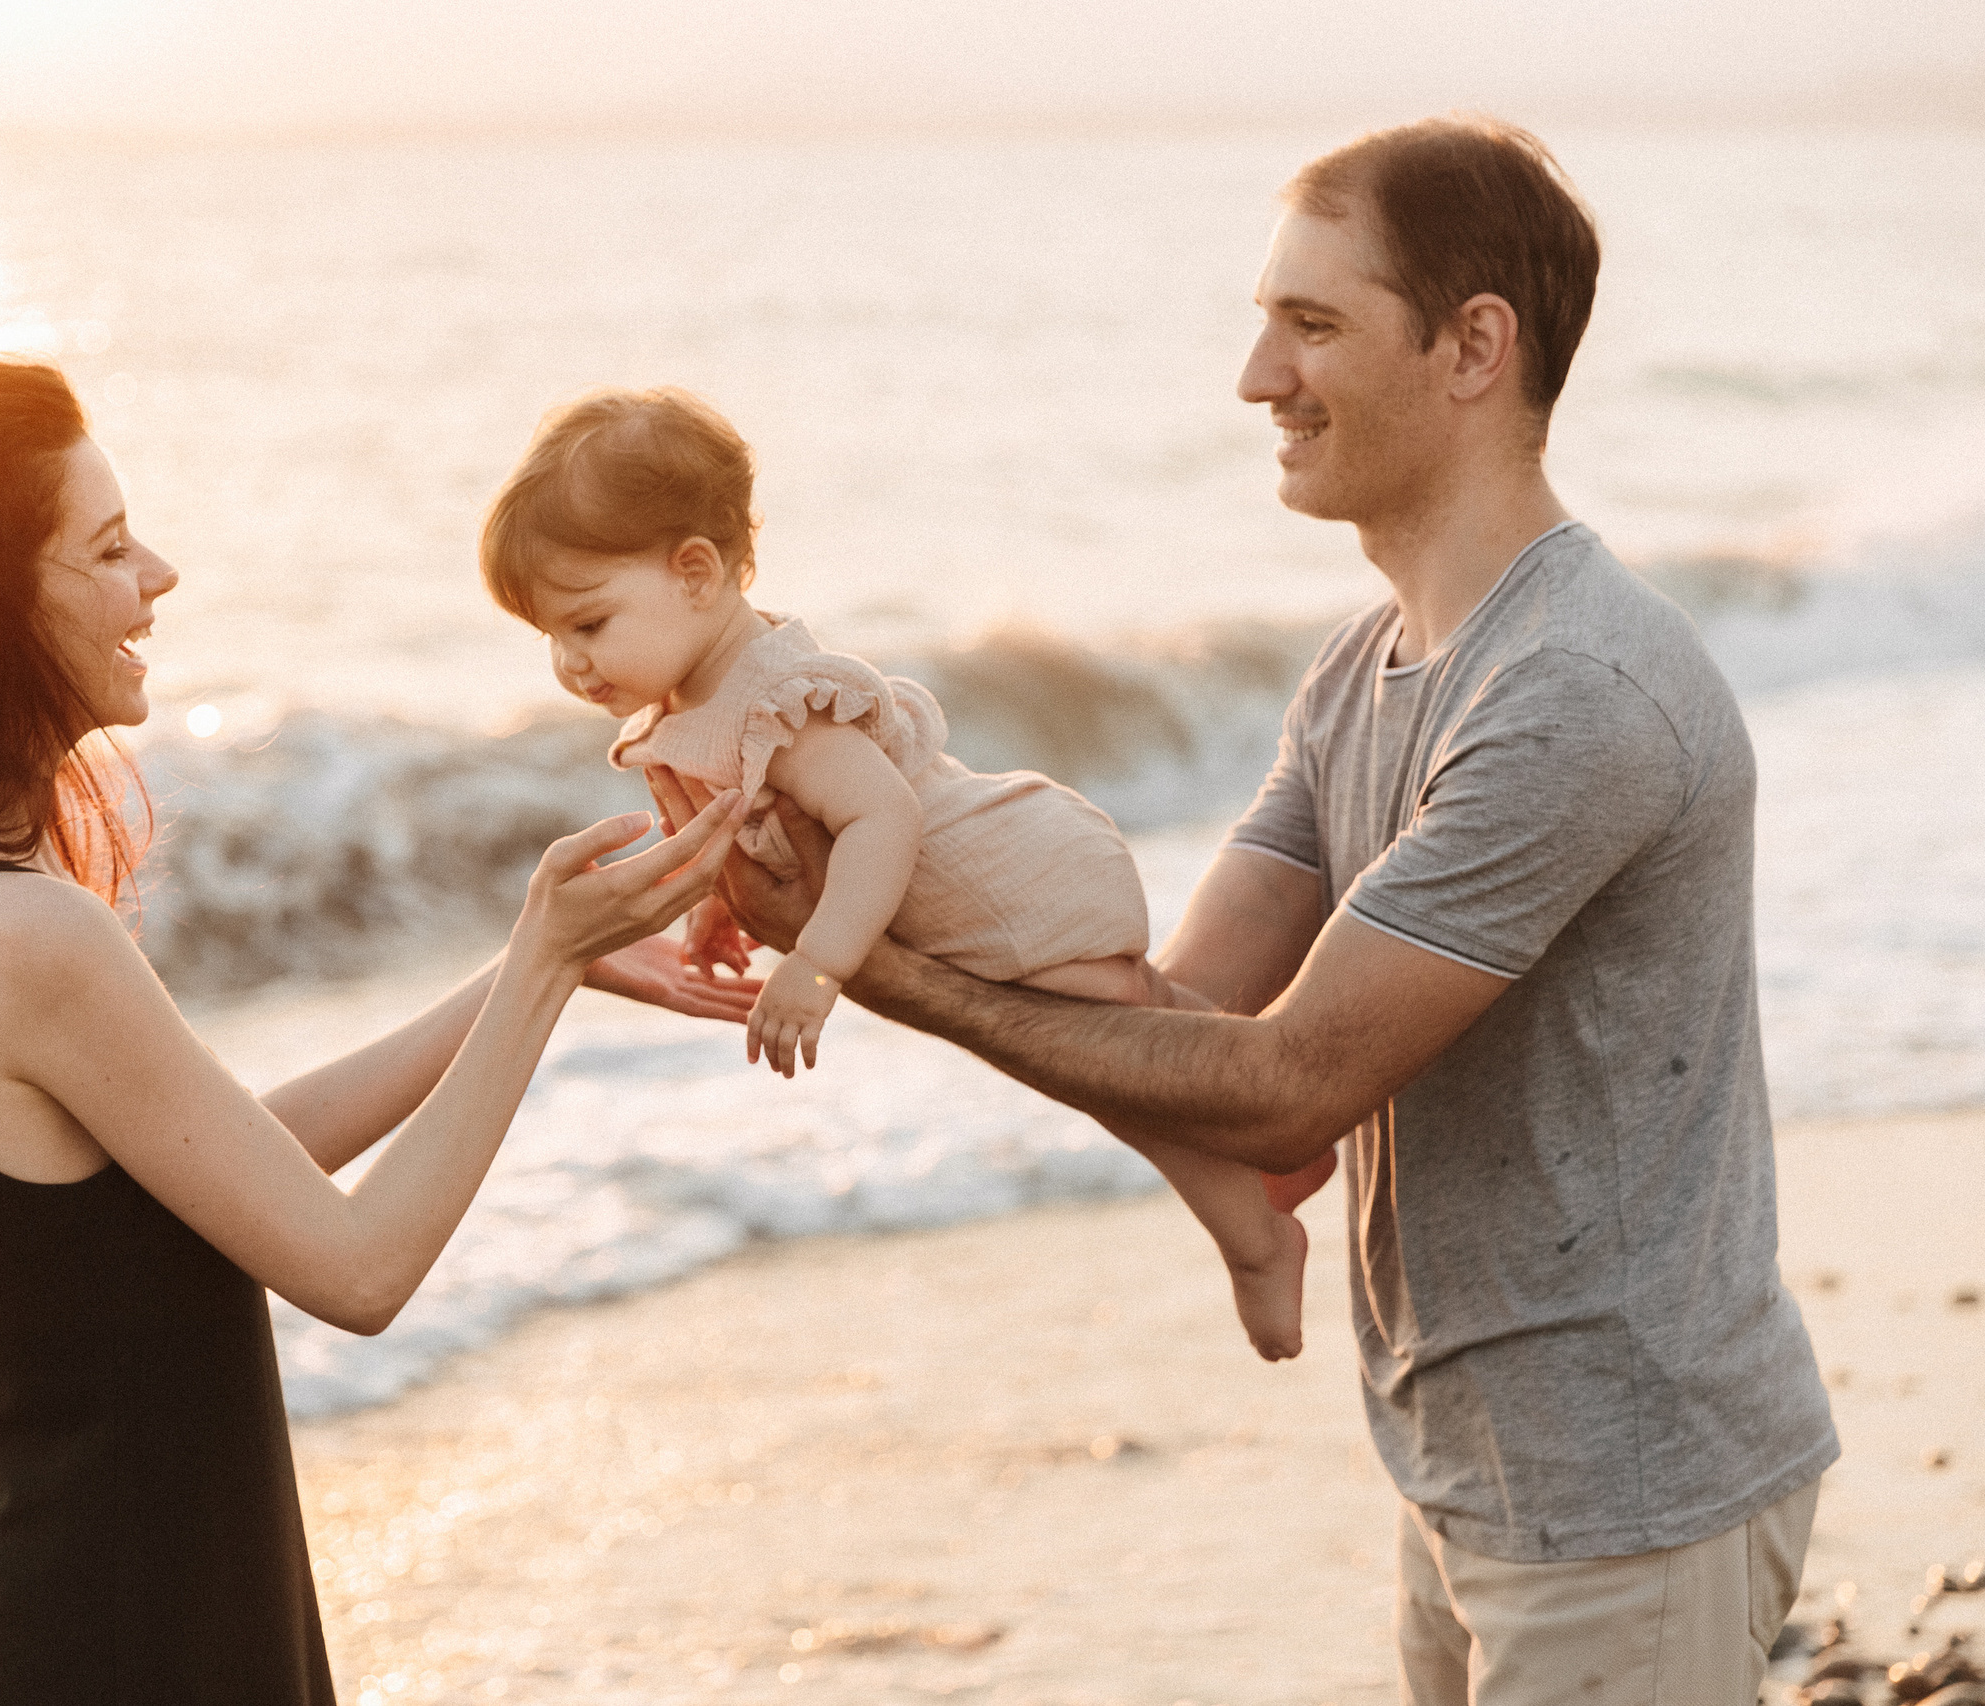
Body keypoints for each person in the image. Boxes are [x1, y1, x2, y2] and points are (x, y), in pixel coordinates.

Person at [656, 117, 1837, 1702]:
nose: (1255, 376)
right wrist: (861, 822)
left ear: (1475, 346)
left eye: (1314, 323)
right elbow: (1172, 1022)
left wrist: (871, 968)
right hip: (1468, 1463)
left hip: (1627, 1487)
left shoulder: (1574, 693)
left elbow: (1290, 1088)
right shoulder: (1361, 673)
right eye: (1264, 319)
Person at [0, 356, 747, 1705]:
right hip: (106, 1655)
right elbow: (361, 1272)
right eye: (105, 545)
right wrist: (546, 959)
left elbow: (225, 1170)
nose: (161, 572)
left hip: (78, 1635)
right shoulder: (29, 938)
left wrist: (538, 972)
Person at [478, 386, 1332, 1363]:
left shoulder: (776, 698)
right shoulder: (699, 699)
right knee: (1148, 1027)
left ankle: (1256, 1229)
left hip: (1008, 882)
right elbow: (760, 835)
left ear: (695, 572)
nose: (568, 662)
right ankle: (1274, 1132)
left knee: (1119, 1070)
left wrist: (821, 964)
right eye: (548, 635)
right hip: (972, 894)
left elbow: (882, 815)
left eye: (587, 623)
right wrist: (725, 910)